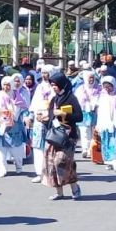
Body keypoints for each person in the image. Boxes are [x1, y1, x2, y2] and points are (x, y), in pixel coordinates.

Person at [40, 71, 83, 200]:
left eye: (56, 85)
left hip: (68, 136)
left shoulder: (71, 98)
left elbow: (79, 116)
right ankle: (59, 192)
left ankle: (75, 187)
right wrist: (44, 117)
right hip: (53, 135)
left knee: (63, 162)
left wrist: (65, 115)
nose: (54, 87)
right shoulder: (54, 99)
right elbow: (51, 116)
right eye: (52, 85)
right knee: (51, 163)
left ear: (62, 84)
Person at [0, 76, 26, 176]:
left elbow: (22, 108)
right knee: (0, 148)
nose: (6, 87)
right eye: (4, 85)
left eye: (8, 85)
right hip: (1, 124)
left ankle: (19, 166)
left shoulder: (16, 95)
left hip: (14, 126)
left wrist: (14, 115)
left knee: (16, 149)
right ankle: (1, 170)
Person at [76, 70, 100, 159]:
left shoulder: (98, 88)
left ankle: (92, 149)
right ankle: (85, 149)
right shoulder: (80, 89)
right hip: (84, 113)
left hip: (94, 113)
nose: (91, 80)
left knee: (93, 132)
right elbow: (77, 101)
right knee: (84, 132)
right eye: (89, 78)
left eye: (92, 78)